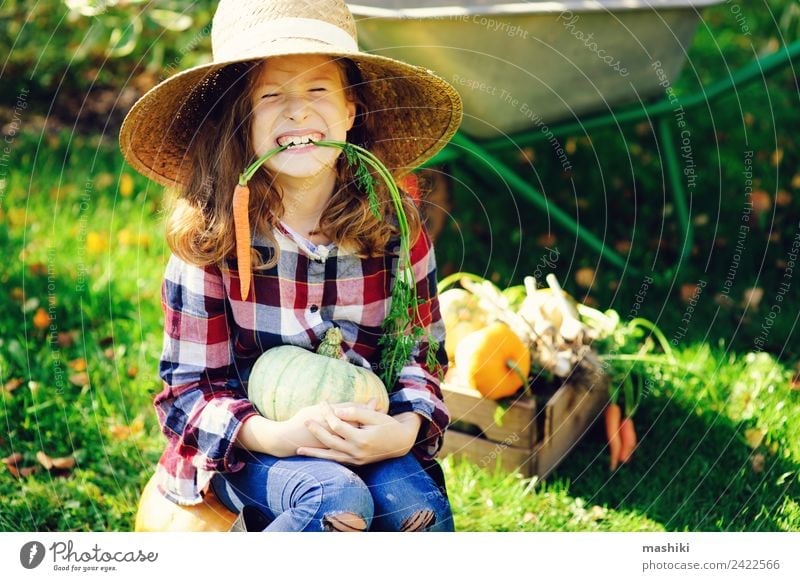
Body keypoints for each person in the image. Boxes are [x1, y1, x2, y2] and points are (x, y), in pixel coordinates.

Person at [119, 0, 462, 532]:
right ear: (240, 121)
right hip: (251, 447)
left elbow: (421, 352)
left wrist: (404, 428)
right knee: (332, 498)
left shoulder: (395, 229)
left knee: (418, 508)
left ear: (351, 112)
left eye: (318, 90)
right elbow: (188, 392)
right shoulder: (212, 241)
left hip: (369, 436)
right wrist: (275, 435)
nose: (298, 111)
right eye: (272, 95)